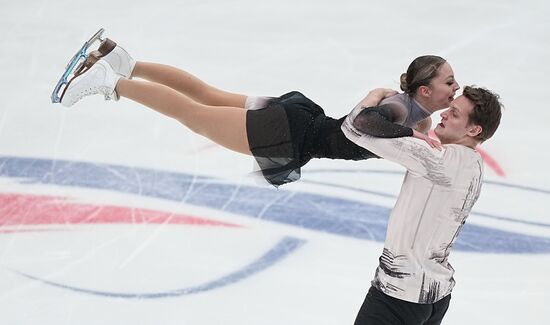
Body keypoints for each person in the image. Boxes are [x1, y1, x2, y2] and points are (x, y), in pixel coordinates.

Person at [57, 36, 458, 186]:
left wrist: (426, 139)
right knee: (193, 113)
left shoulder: (415, 114)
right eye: (449, 82)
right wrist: (412, 135)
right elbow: (363, 123)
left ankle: (125, 62)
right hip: (286, 133)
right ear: (425, 89)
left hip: (297, 120)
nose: (455, 89)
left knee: (205, 94)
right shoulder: (396, 107)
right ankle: (109, 82)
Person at [346, 85, 503, 324]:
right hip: (436, 298)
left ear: (474, 129)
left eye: (455, 114)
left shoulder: (437, 160)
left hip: (398, 296)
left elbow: (355, 128)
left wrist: (375, 96)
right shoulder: (474, 165)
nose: (444, 114)